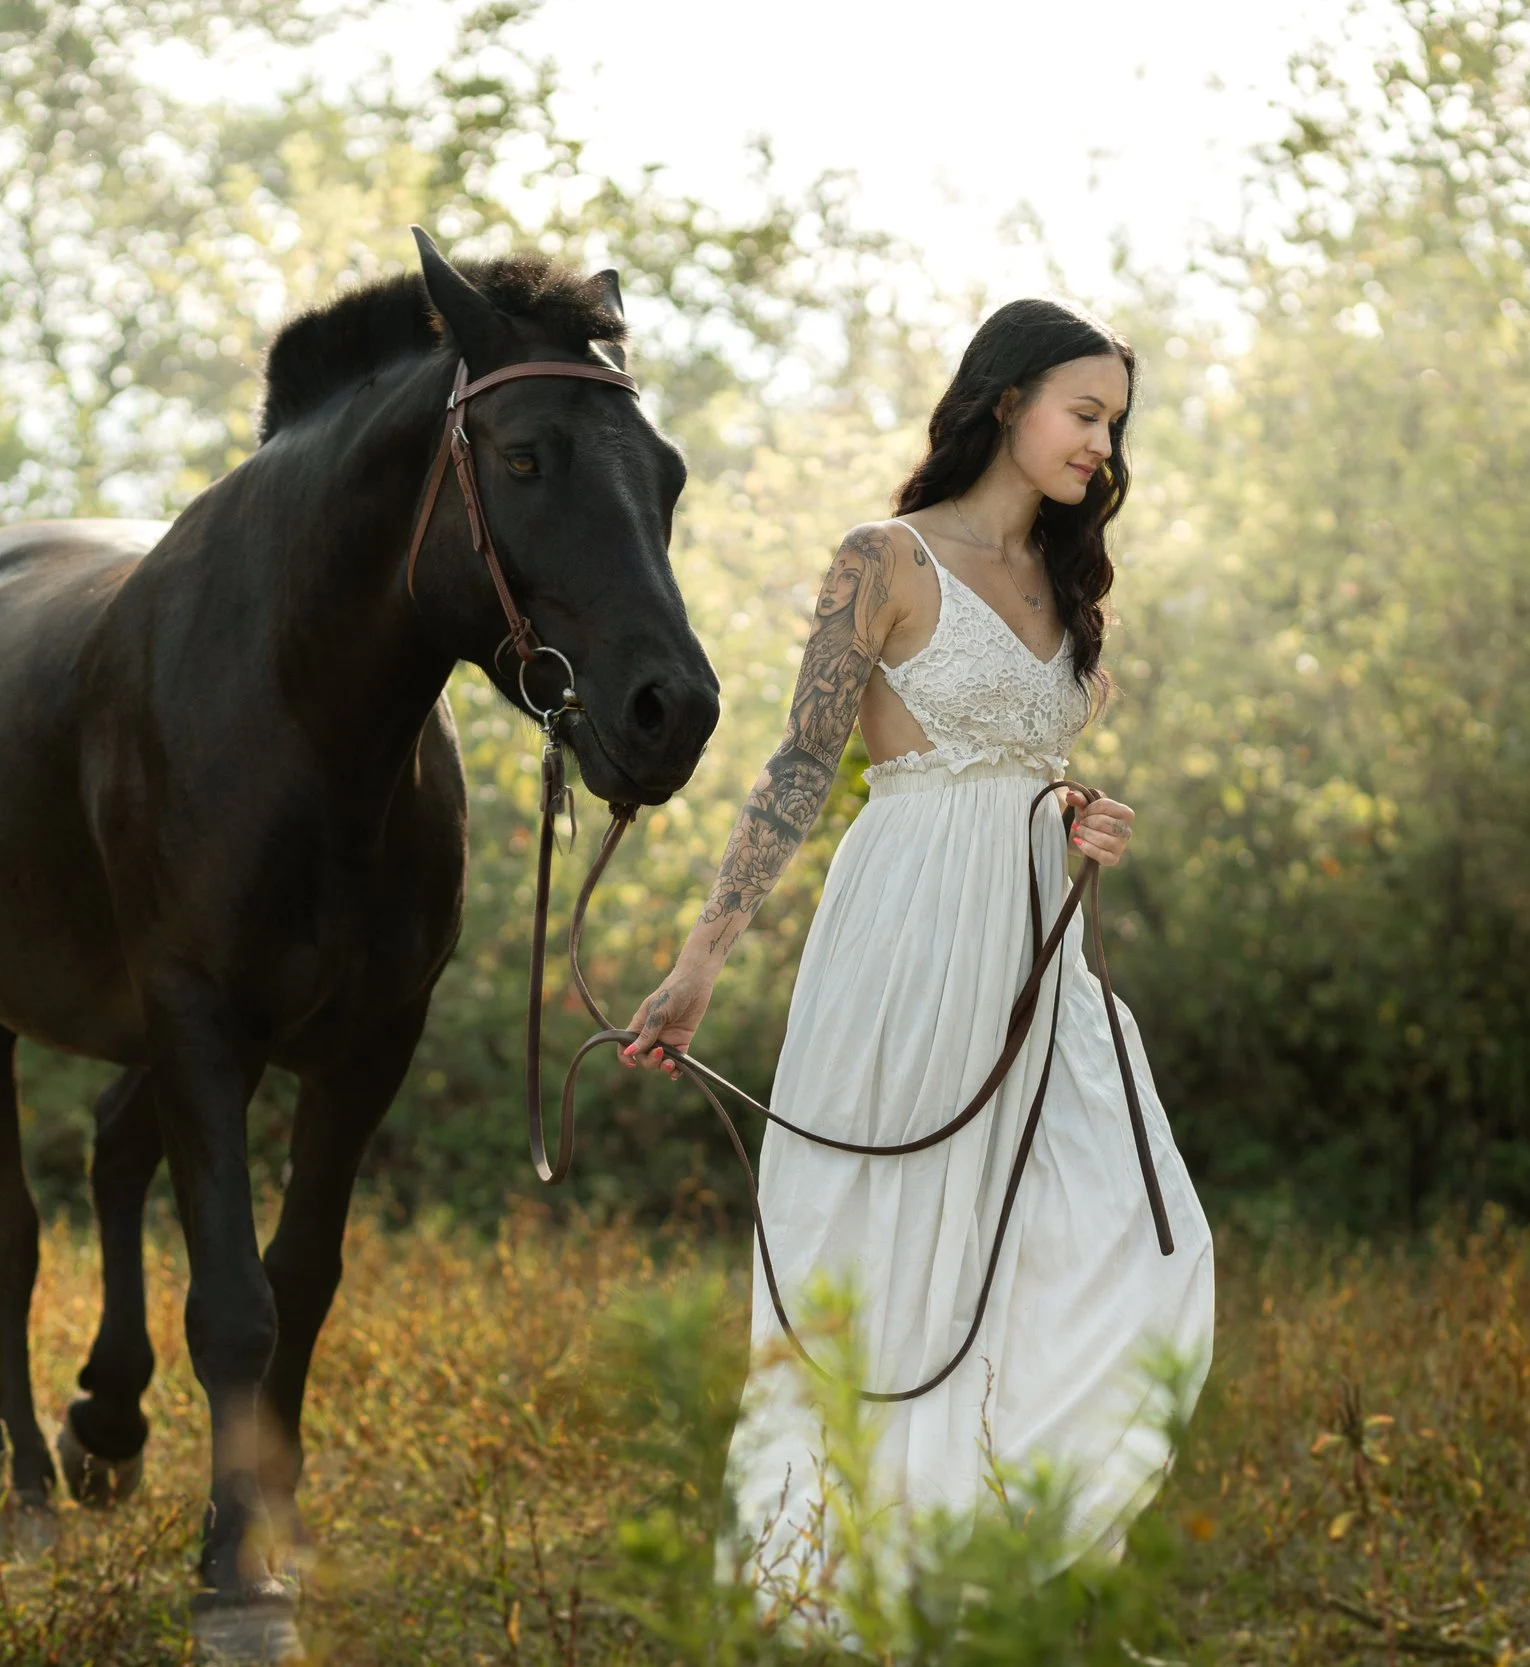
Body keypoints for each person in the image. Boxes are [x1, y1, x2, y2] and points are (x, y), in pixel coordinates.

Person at [618, 299, 1216, 1592]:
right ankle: (848, 1570)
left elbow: (1016, 764)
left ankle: (992, 1543)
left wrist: (1073, 809)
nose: (1103, 446)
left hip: (1032, 953)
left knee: (1122, 1226)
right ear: (1007, 403)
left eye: (1116, 424)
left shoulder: (1065, 582)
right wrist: (701, 960)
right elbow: (799, 767)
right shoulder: (882, 559)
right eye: (1085, 412)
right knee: (890, 1233)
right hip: (904, 937)